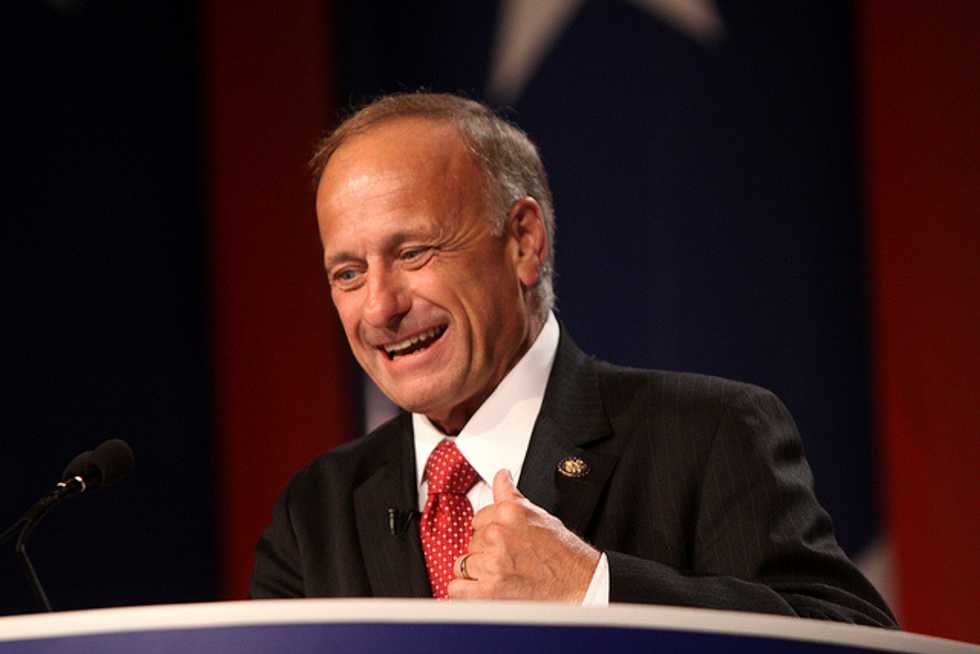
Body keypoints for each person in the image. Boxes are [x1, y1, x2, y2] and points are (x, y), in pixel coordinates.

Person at [251, 92, 896, 627]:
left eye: (414, 252)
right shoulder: (316, 514)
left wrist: (593, 590)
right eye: (348, 273)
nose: (380, 307)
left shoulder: (709, 434)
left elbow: (853, 639)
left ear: (523, 243)